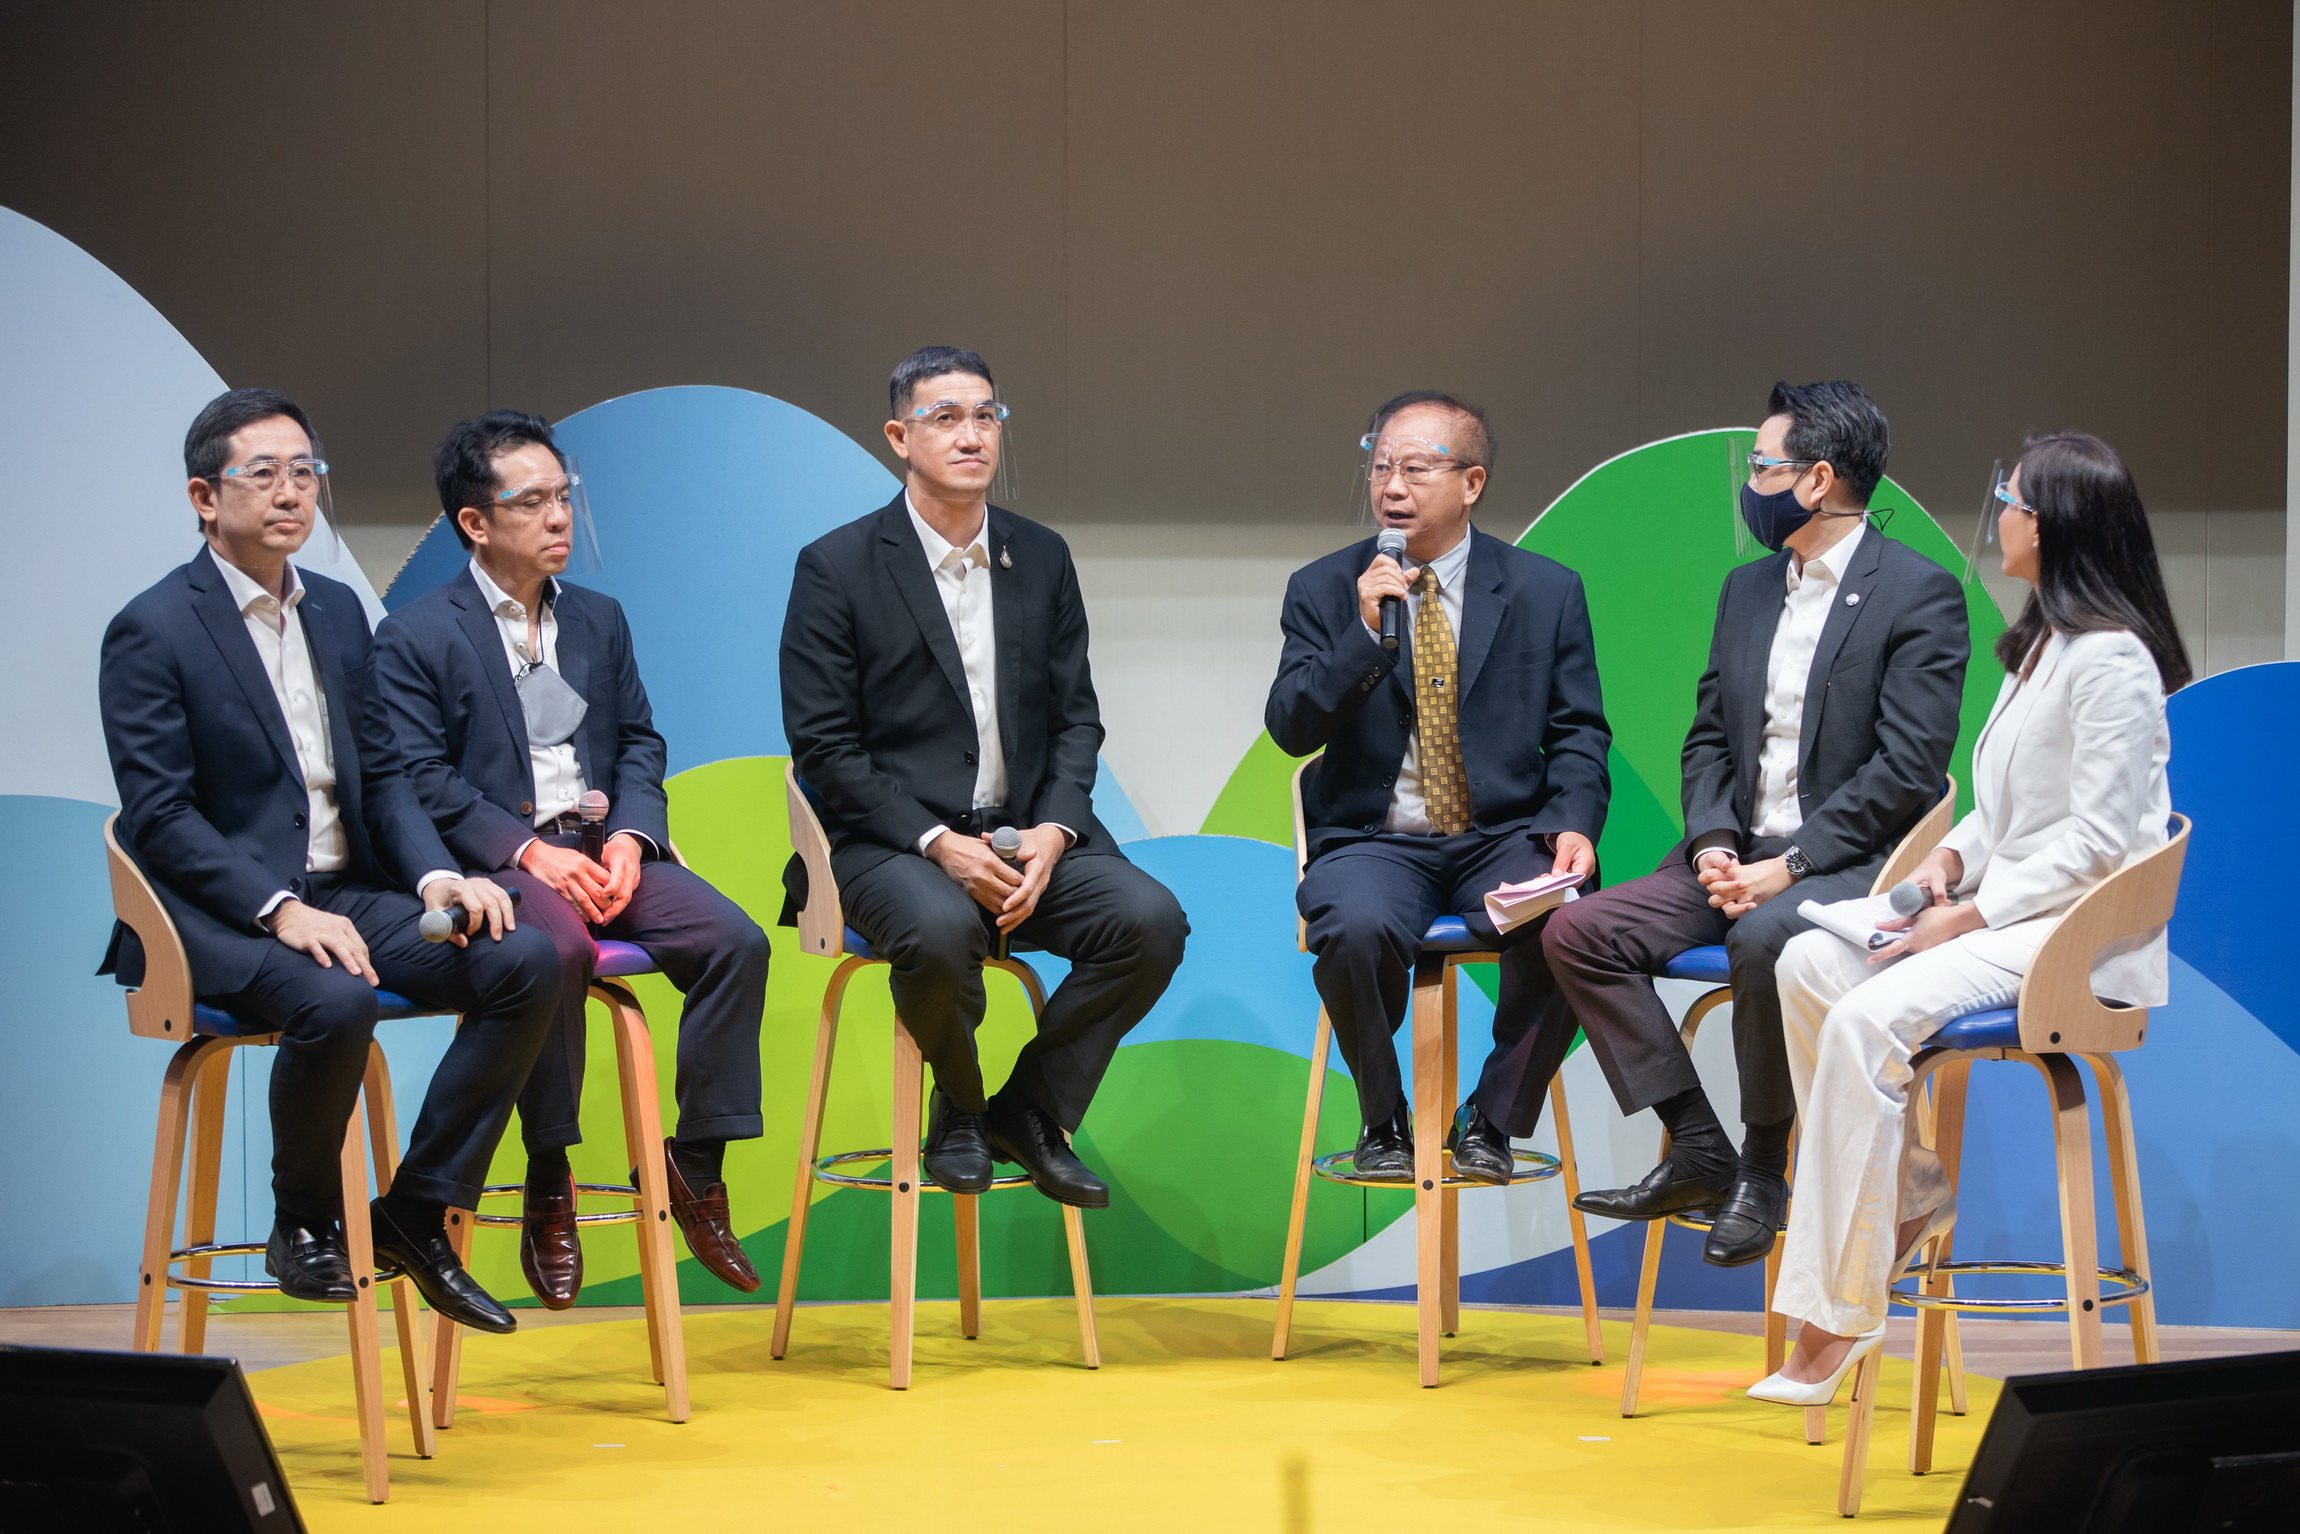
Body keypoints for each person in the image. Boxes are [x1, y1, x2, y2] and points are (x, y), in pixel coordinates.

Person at [99, 388, 558, 1335]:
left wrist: (435, 875)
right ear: (204, 496)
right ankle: (303, 1222)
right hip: (218, 915)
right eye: (264, 473)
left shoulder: (342, 612)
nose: (290, 492)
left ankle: (415, 1211)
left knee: (524, 960)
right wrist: (279, 909)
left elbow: (383, 775)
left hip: (349, 892)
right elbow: (161, 817)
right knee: (335, 999)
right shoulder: (154, 627)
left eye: (305, 472)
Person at [1752, 431, 2188, 1404]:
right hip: (2009, 914)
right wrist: (1947, 863)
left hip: (2076, 936)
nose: (1998, 514)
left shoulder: (2112, 660)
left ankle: (1836, 1313)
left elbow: (2098, 841)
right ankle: (1909, 1190)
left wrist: (1971, 914)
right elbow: (2005, 812)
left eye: (2011, 498)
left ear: (2054, 522)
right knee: (1808, 965)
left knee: (1867, 1018)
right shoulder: (2041, 648)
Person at [1545, 381, 1968, 1266]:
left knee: (1763, 939)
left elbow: (1908, 768)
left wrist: (1795, 863)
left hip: (1847, 859)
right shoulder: (1746, 589)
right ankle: (1701, 1148)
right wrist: (1712, 844)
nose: (1750, 484)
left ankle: (1764, 1169)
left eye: (1763, 467)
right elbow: (1708, 737)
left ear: (1817, 481)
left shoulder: (1917, 593)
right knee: (1579, 931)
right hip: (1737, 852)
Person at [375, 411, 771, 1305]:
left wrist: (632, 837)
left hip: (604, 849)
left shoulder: (598, 618)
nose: (558, 517)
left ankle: (694, 1166)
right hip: (505, 863)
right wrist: (524, 851)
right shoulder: (418, 634)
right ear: (475, 522)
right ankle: (549, 1171)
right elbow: (418, 775)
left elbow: (639, 742)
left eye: (565, 496)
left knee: (735, 941)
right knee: (554, 950)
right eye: (532, 501)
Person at [778, 346, 1188, 1207]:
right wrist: (937, 842)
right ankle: (960, 1109)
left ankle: (1028, 1110)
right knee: (937, 930)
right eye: (946, 418)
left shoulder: (1041, 555)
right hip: (893, 841)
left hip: (1026, 829)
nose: (973, 436)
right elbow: (824, 747)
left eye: (987, 416)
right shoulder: (837, 565)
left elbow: (1077, 719)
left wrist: (1056, 832)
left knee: (1149, 922)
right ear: (900, 437)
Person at [1266, 391, 1610, 1181]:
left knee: (1575, 921)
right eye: (1380, 465)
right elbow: (1291, 727)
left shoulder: (1545, 590)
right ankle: (1383, 1117)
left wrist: (1574, 824)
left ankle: (1493, 1117)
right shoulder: (1324, 587)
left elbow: (1579, 731)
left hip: (1501, 837)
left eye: (1416, 468)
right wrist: (1361, 634)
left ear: (1472, 482)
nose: (1391, 486)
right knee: (1351, 924)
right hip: (1375, 839)